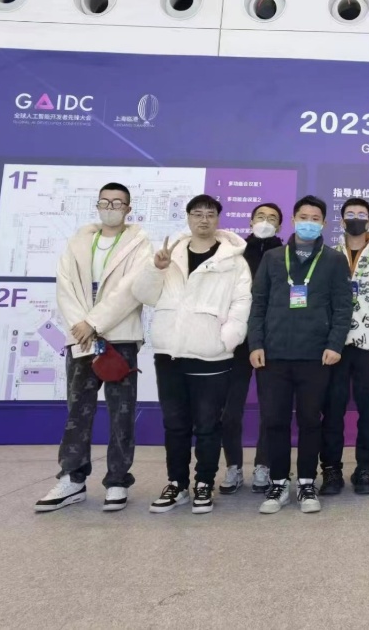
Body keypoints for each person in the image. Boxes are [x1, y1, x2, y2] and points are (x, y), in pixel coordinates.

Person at [35, 183, 153, 513]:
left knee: (121, 413)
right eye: (105, 202)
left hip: (120, 338)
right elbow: (65, 287)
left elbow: (130, 291)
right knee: (78, 410)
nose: (110, 207)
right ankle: (72, 479)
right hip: (81, 338)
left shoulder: (140, 243)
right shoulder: (78, 241)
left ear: (128, 209)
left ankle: (117, 481)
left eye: (118, 203)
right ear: (97, 205)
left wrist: (94, 322)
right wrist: (81, 325)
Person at [132, 194, 252, 515]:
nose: (203, 219)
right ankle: (176, 484)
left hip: (211, 355)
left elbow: (242, 304)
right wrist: (156, 269)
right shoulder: (169, 255)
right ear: (187, 217)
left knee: (208, 425)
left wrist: (226, 340)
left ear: (218, 219)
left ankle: (204, 484)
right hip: (170, 354)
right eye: (197, 214)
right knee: (175, 424)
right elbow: (144, 295)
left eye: (210, 214)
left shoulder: (233, 260)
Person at [249, 195, 351, 515]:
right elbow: (258, 303)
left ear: (323, 223)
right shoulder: (273, 258)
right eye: (303, 216)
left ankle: (307, 481)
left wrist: (335, 345)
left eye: (315, 218)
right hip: (274, 355)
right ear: (293, 220)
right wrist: (256, 344)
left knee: (310, 421)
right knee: (275, 420)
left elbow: (343, 307)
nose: (309, 222)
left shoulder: (334, 260)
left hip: (316, 356)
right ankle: (279, 482)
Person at [318, 197, 369, 496]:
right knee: (332, 409)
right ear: (342, 221)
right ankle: (331, 469)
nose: (356, 218)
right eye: (350, 214)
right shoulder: (328, 255)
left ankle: (365, 467)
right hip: (334, 345)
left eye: (361, 214)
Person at [220, 202, 284, 495]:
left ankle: (264, 465)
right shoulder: (233, 253)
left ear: (280, 226)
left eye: (272, 218)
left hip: (271, 342)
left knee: (271, 409)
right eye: (260, 216)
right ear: (250, 221)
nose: (266, 221)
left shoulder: (284, 255)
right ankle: (233, 466)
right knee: (230, 410)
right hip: (236, 342)